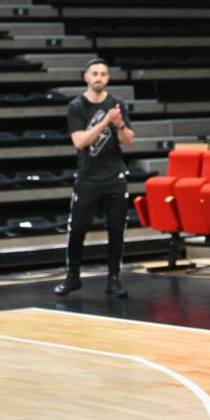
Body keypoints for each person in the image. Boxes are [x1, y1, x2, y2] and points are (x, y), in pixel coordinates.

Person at [55, 58, 135, 298]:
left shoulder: (117, 104)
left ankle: (114, 278)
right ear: (86, 78)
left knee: (116, 229)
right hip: (88, 176)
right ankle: (72, 276)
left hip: (114, 176)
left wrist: (120, 125)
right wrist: (105, 122)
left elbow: (129, 141)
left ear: (108, 78)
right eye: (95, 73)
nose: (99, 77)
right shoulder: (77, 106)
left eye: (103, 73)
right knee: (78, 228)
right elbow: (80, 141)